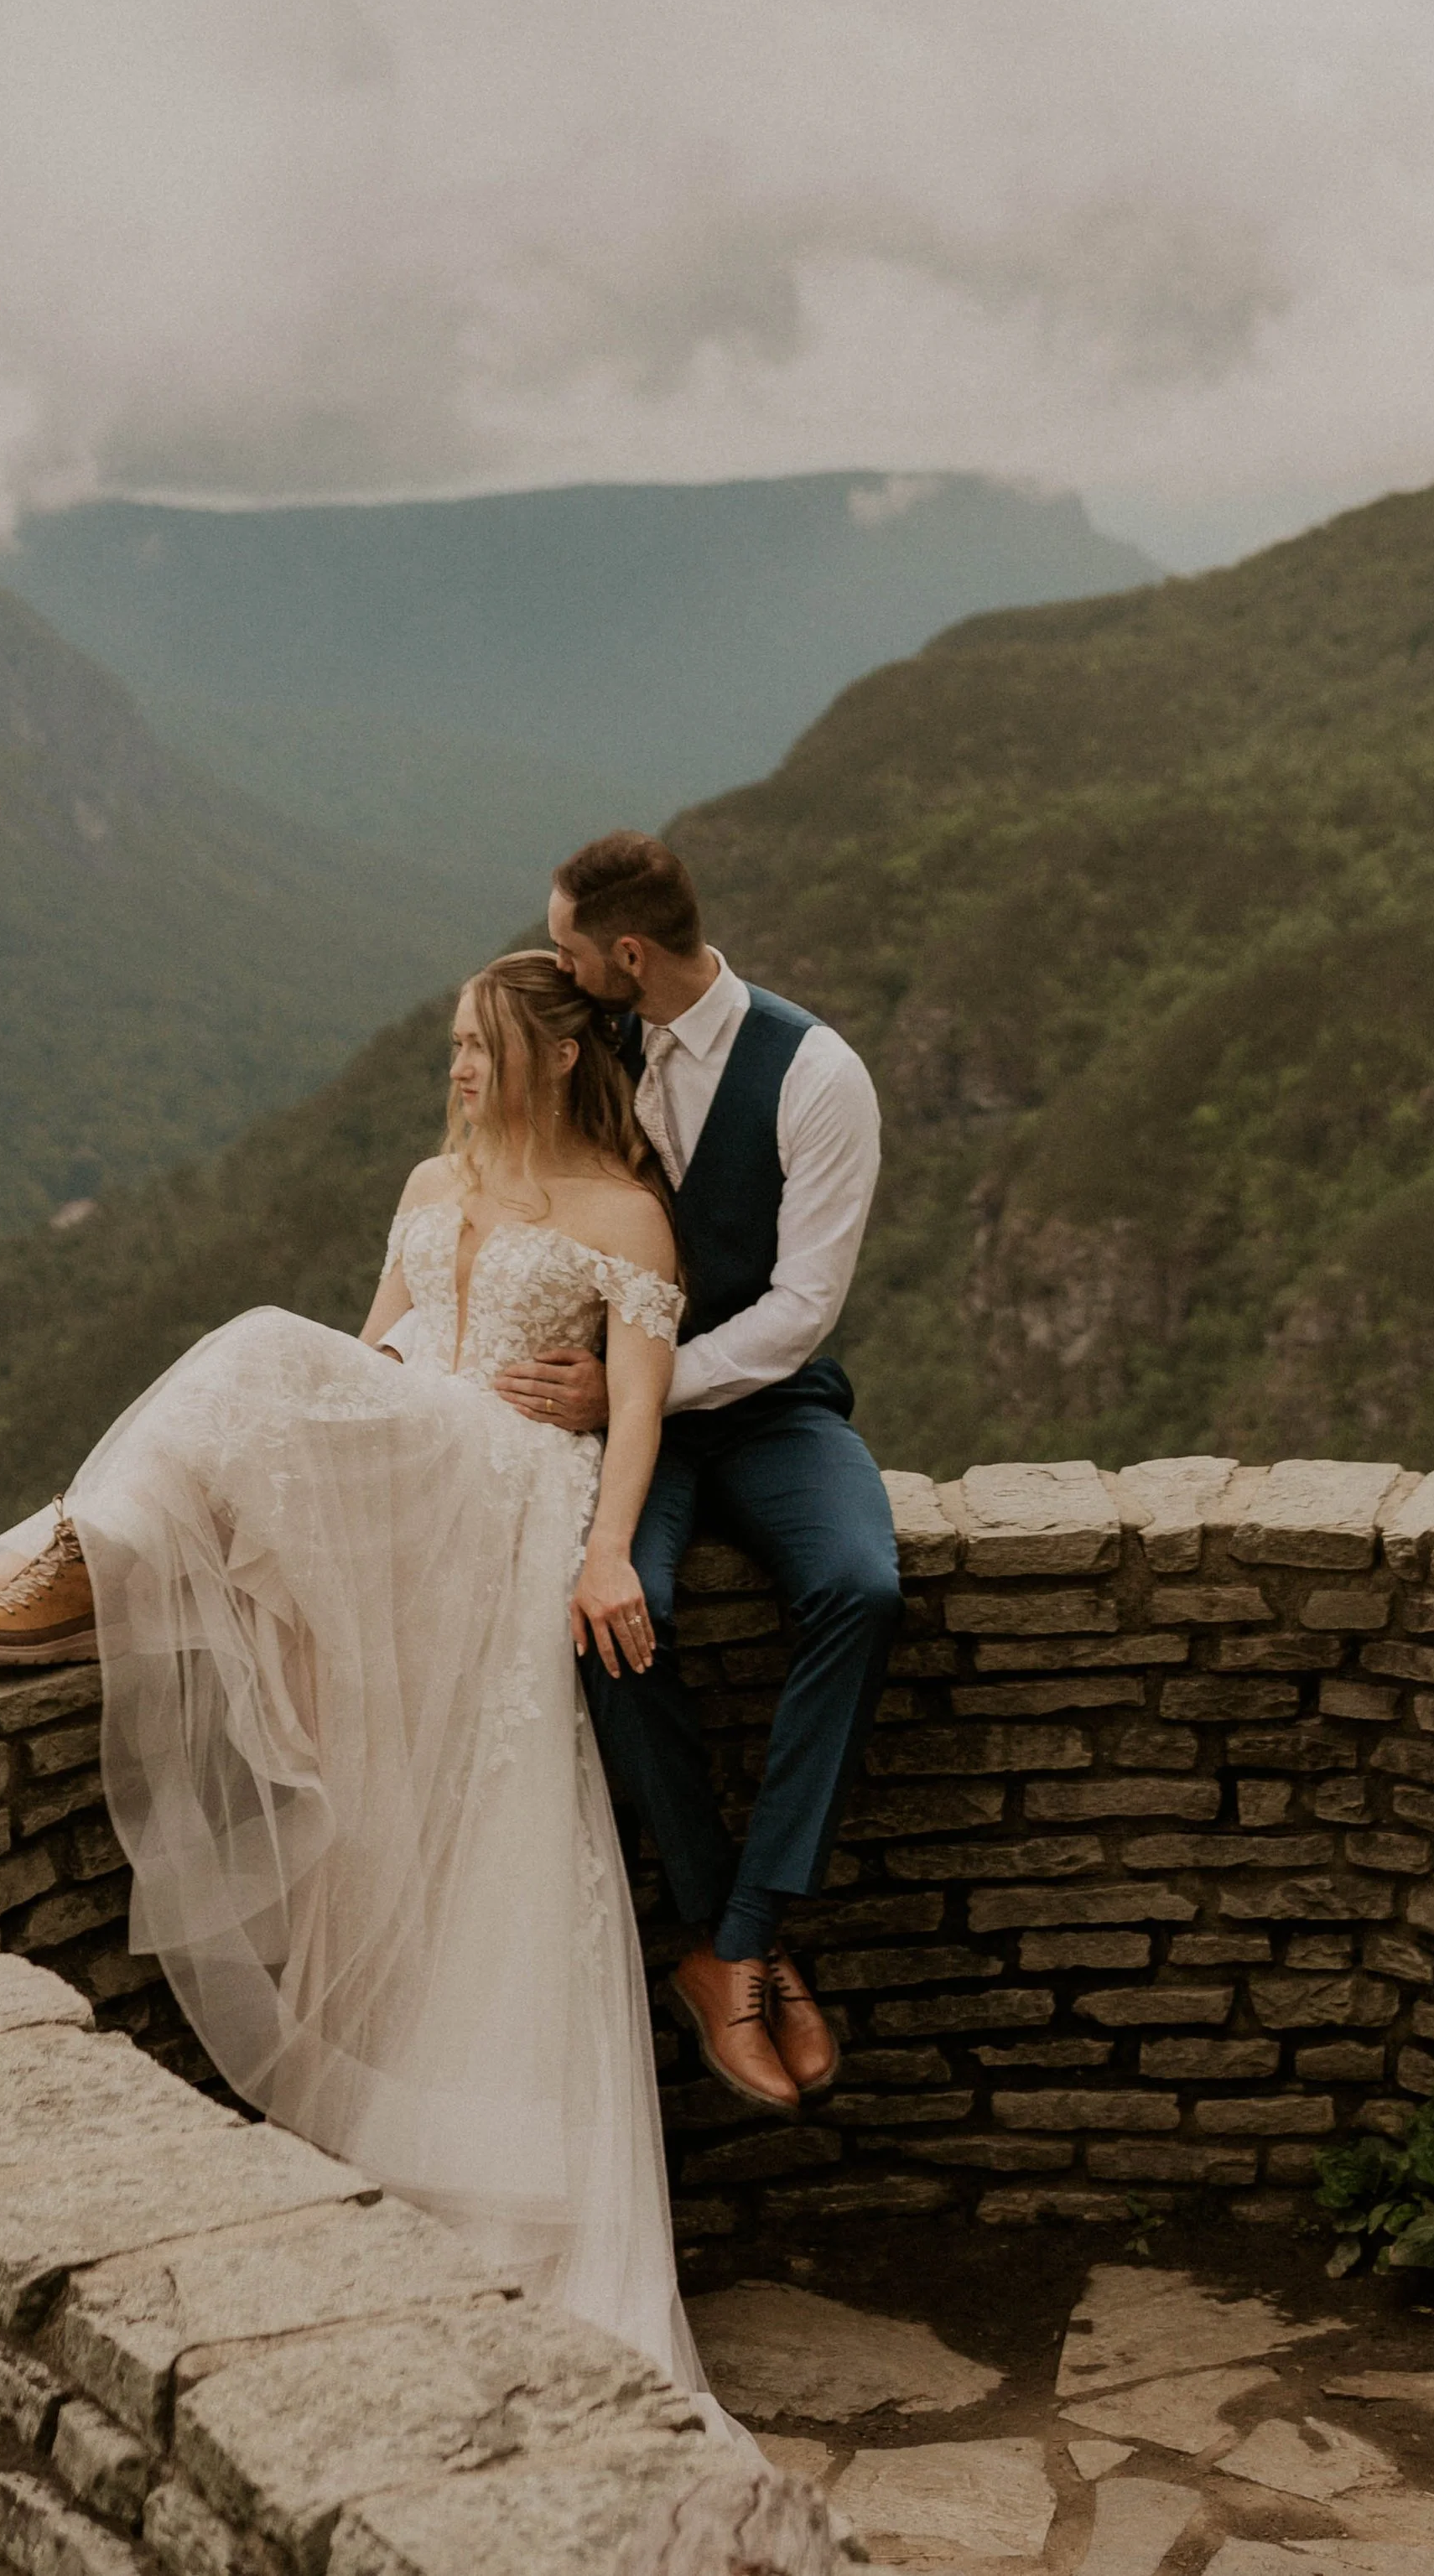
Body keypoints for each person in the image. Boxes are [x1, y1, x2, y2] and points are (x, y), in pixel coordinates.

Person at [0, 952, 728, 2418]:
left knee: (245, 1352)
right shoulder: (433, 1188)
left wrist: (609, 1550)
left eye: (481, 1045)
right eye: (451, 1047)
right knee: (240, 1429)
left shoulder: (628, 1215)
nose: (460, 1068)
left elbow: (637, 1414)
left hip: (508, 1485)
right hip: (416, 1455)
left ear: (559, 1055)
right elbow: (368, 1348)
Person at [496, 832, 903, 2122]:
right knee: (624, 1618)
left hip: (767, 1407)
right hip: (625, 1424)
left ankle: (738, 1933)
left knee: (863, 1584)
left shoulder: (819, 1075)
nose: (560, 968)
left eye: (569, 948)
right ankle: (739, 1939)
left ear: (628, 953)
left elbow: (800, 1310)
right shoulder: (587, 1044)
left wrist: (639, 1387)